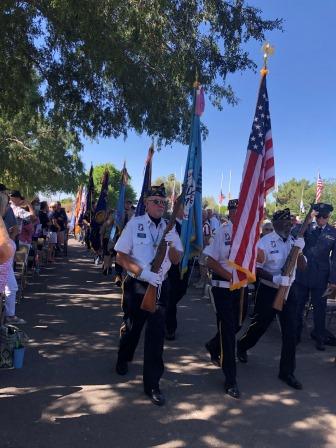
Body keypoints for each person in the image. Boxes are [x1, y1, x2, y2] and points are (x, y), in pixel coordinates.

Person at [114, 184, 183, 406]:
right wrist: (143, 273)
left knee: (156, 337)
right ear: (146, 203)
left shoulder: (170, 227)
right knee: (133, 328)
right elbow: (121, 257)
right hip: (137, 285)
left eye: (163, 202)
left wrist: (172, 243)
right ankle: (123, 357)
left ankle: (152, 384)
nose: (160, 205)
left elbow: (176, 259)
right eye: (156, 201)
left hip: (160, 287)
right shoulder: (135, 224)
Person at [237, 208, 306, 390]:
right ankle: (242, 346)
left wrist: (301, 250)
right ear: (275, 224)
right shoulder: (265, 242)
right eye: (284, 222)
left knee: (290, 332)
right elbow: (255, 268)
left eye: (290, 223)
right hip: (269, 291)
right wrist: (274, 278)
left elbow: (303, 267)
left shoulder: (293, 241)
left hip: (289, 292)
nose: (288, 225)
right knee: (259, 326)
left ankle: (287, 372)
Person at [203, 198, 246, 399]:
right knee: (229, 332)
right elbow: (209, 261)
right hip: (223, 288)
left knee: (237, 325)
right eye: (234, 210)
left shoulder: (249, 232)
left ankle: (213, 345)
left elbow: (258, 257)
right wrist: (231, 276)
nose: (238, 213)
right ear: (229, 212)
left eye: (241, 209)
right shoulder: (221, 231)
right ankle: (231, 379)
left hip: (242, 289)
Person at [295, 203, 336, 350]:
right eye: (319, 216)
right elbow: (295, 233)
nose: (321, 220)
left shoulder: (333, 232)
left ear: (328, 217)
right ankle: (295, 335)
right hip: (303, 274)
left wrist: (333, 280)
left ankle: (320, 337)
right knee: (298, 306)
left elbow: (335, 259)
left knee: (320, 309)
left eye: (324, 217)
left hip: (321, 276)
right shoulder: (307, 228)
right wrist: (308, 219)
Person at [165, 202, 190, 340]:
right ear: (176, 209)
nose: (186, 211)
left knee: (181, 291)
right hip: (172, 266)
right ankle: (170, 327)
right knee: (172, 295)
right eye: (183, 208)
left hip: (184, 265)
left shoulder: (187, 227)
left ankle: (163, 312)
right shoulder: (172, 225)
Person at [0, 192, 24, 324]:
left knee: (12, 287)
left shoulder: (3, 220)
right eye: (6, 204)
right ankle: (9, 316)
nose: (8, 207)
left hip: (5, 262)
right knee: (10, 288)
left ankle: (9, 315)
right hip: (3, 262)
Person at [100, 210, 116, 275]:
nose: (113, 216)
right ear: (109, 215)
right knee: (107, 255)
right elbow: (102, 234)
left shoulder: (116, 224)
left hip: (114, 241)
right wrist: (101, 241)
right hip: (106, 240)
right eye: (112, 215)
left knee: (111, 255)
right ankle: (105, 268)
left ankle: (109, 267)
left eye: (114, 215)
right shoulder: (105, 223)